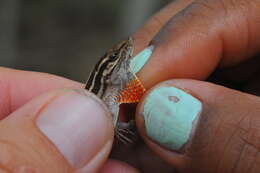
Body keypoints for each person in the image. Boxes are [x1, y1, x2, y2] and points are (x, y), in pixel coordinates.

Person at [0, 0, 259, 172]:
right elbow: (115, 124)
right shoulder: (96, 101)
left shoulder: (107, 92)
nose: (124, 54)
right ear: (106, 73)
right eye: (115, 59)